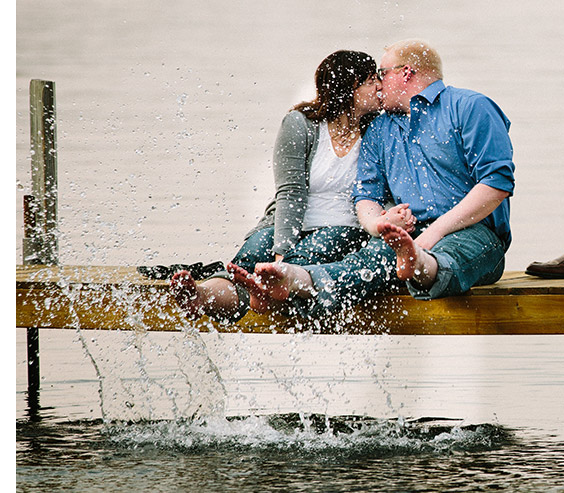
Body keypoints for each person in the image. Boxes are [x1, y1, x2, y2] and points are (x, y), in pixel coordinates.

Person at [237, 39, 515, 317]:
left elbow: (496, 183)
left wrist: (435, 231)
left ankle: (418, 261)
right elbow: (366, 194)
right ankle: (294, 279)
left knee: (452, 256)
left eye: (382, 73)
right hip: (404, 234)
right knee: (366, 262)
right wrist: (378, 223)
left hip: (475, 232)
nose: (379, 84)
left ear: (406, 72)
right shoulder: (380, 128)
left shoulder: (470, 107)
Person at [170, 50, 383, 322]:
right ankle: (201, 296)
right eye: (370, 80)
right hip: (286, 224)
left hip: (343, 228)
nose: (379, 85)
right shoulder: (301, 124)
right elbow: (290, 192)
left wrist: (282, 262)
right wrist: (282, 247)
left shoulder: (380, 129)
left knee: (294, 263)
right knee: (249, 257)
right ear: (347, 88)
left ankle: (263, 293)